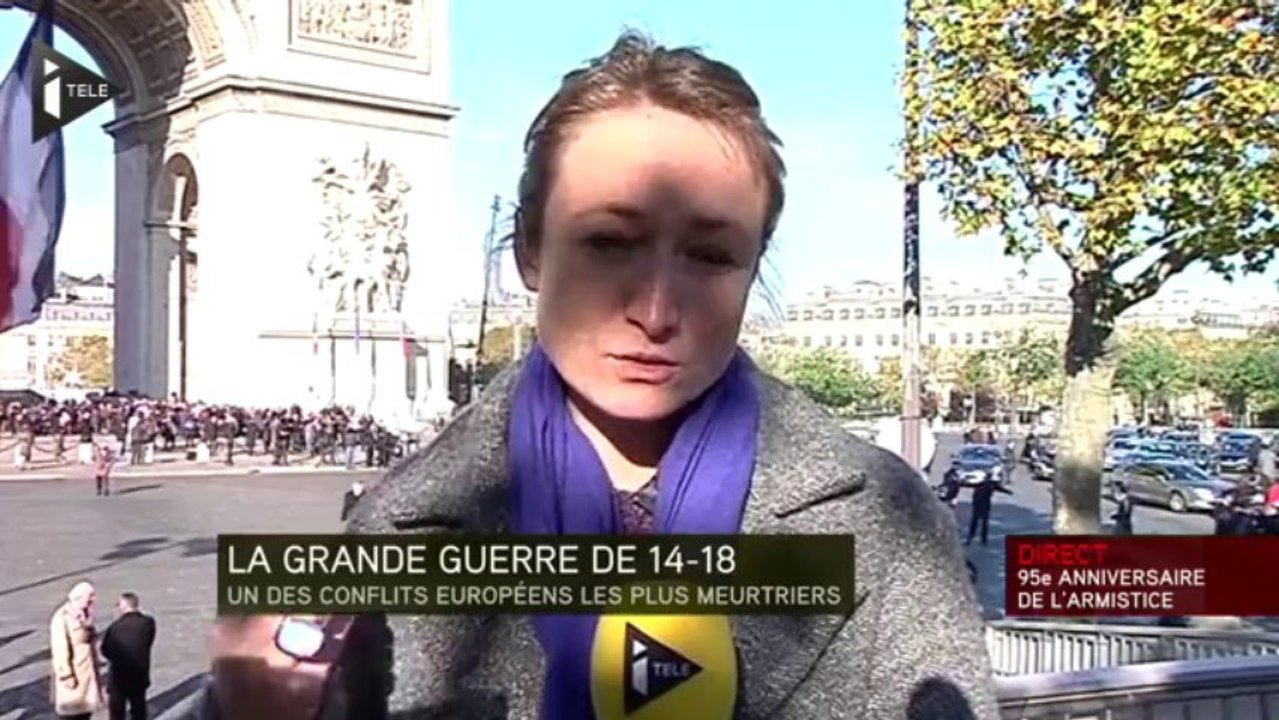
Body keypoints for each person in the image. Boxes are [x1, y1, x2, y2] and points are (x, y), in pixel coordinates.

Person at [187, 32, 999, 720]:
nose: (655, 308)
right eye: (610, 241)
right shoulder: (386, 538)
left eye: (712, 256)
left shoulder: (889, 525)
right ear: (529, 253)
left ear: (752, 274)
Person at [49, 581, 104, 720]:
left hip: (87, 673)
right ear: (79, 597)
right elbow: (60, 649)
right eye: (89, 596)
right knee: (72, 714)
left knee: (85, 713)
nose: (93, 600)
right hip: (74, 674)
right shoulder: (62, 617)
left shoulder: (85, 614)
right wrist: (66, 674)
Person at [102, 592, 157, 720]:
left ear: (124, 606)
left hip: (118, 677)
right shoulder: (148, 623)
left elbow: (105, 650)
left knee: (117, 713)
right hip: (139, 675)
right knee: (138, 710)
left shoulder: (115, 627)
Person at [965, 469, 1013, 546]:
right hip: (979, 505)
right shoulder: (982, 483)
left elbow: (1000, 489)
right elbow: (970, 484)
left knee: (981, 523)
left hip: (983, 505)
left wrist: (1008, 492)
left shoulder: (991, 484)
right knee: (977, 523)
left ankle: (980, 539)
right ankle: (973, 539)